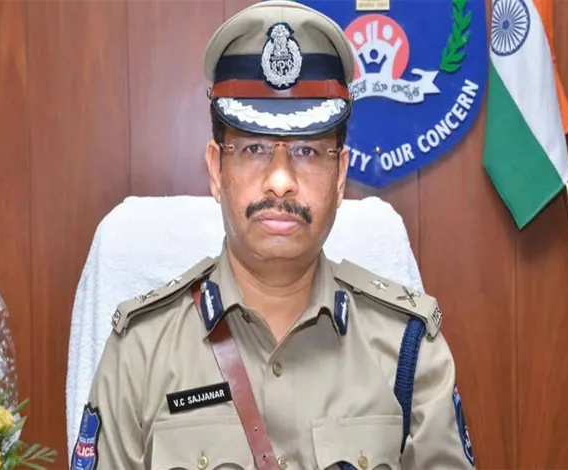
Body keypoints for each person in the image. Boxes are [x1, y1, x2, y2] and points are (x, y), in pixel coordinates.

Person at [72, 1, 475, 469]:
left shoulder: (407, 350)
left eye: (307, 151)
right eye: (254, 149)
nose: (280, 181)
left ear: (340, 175)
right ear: (216, 170)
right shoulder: (141, 353)